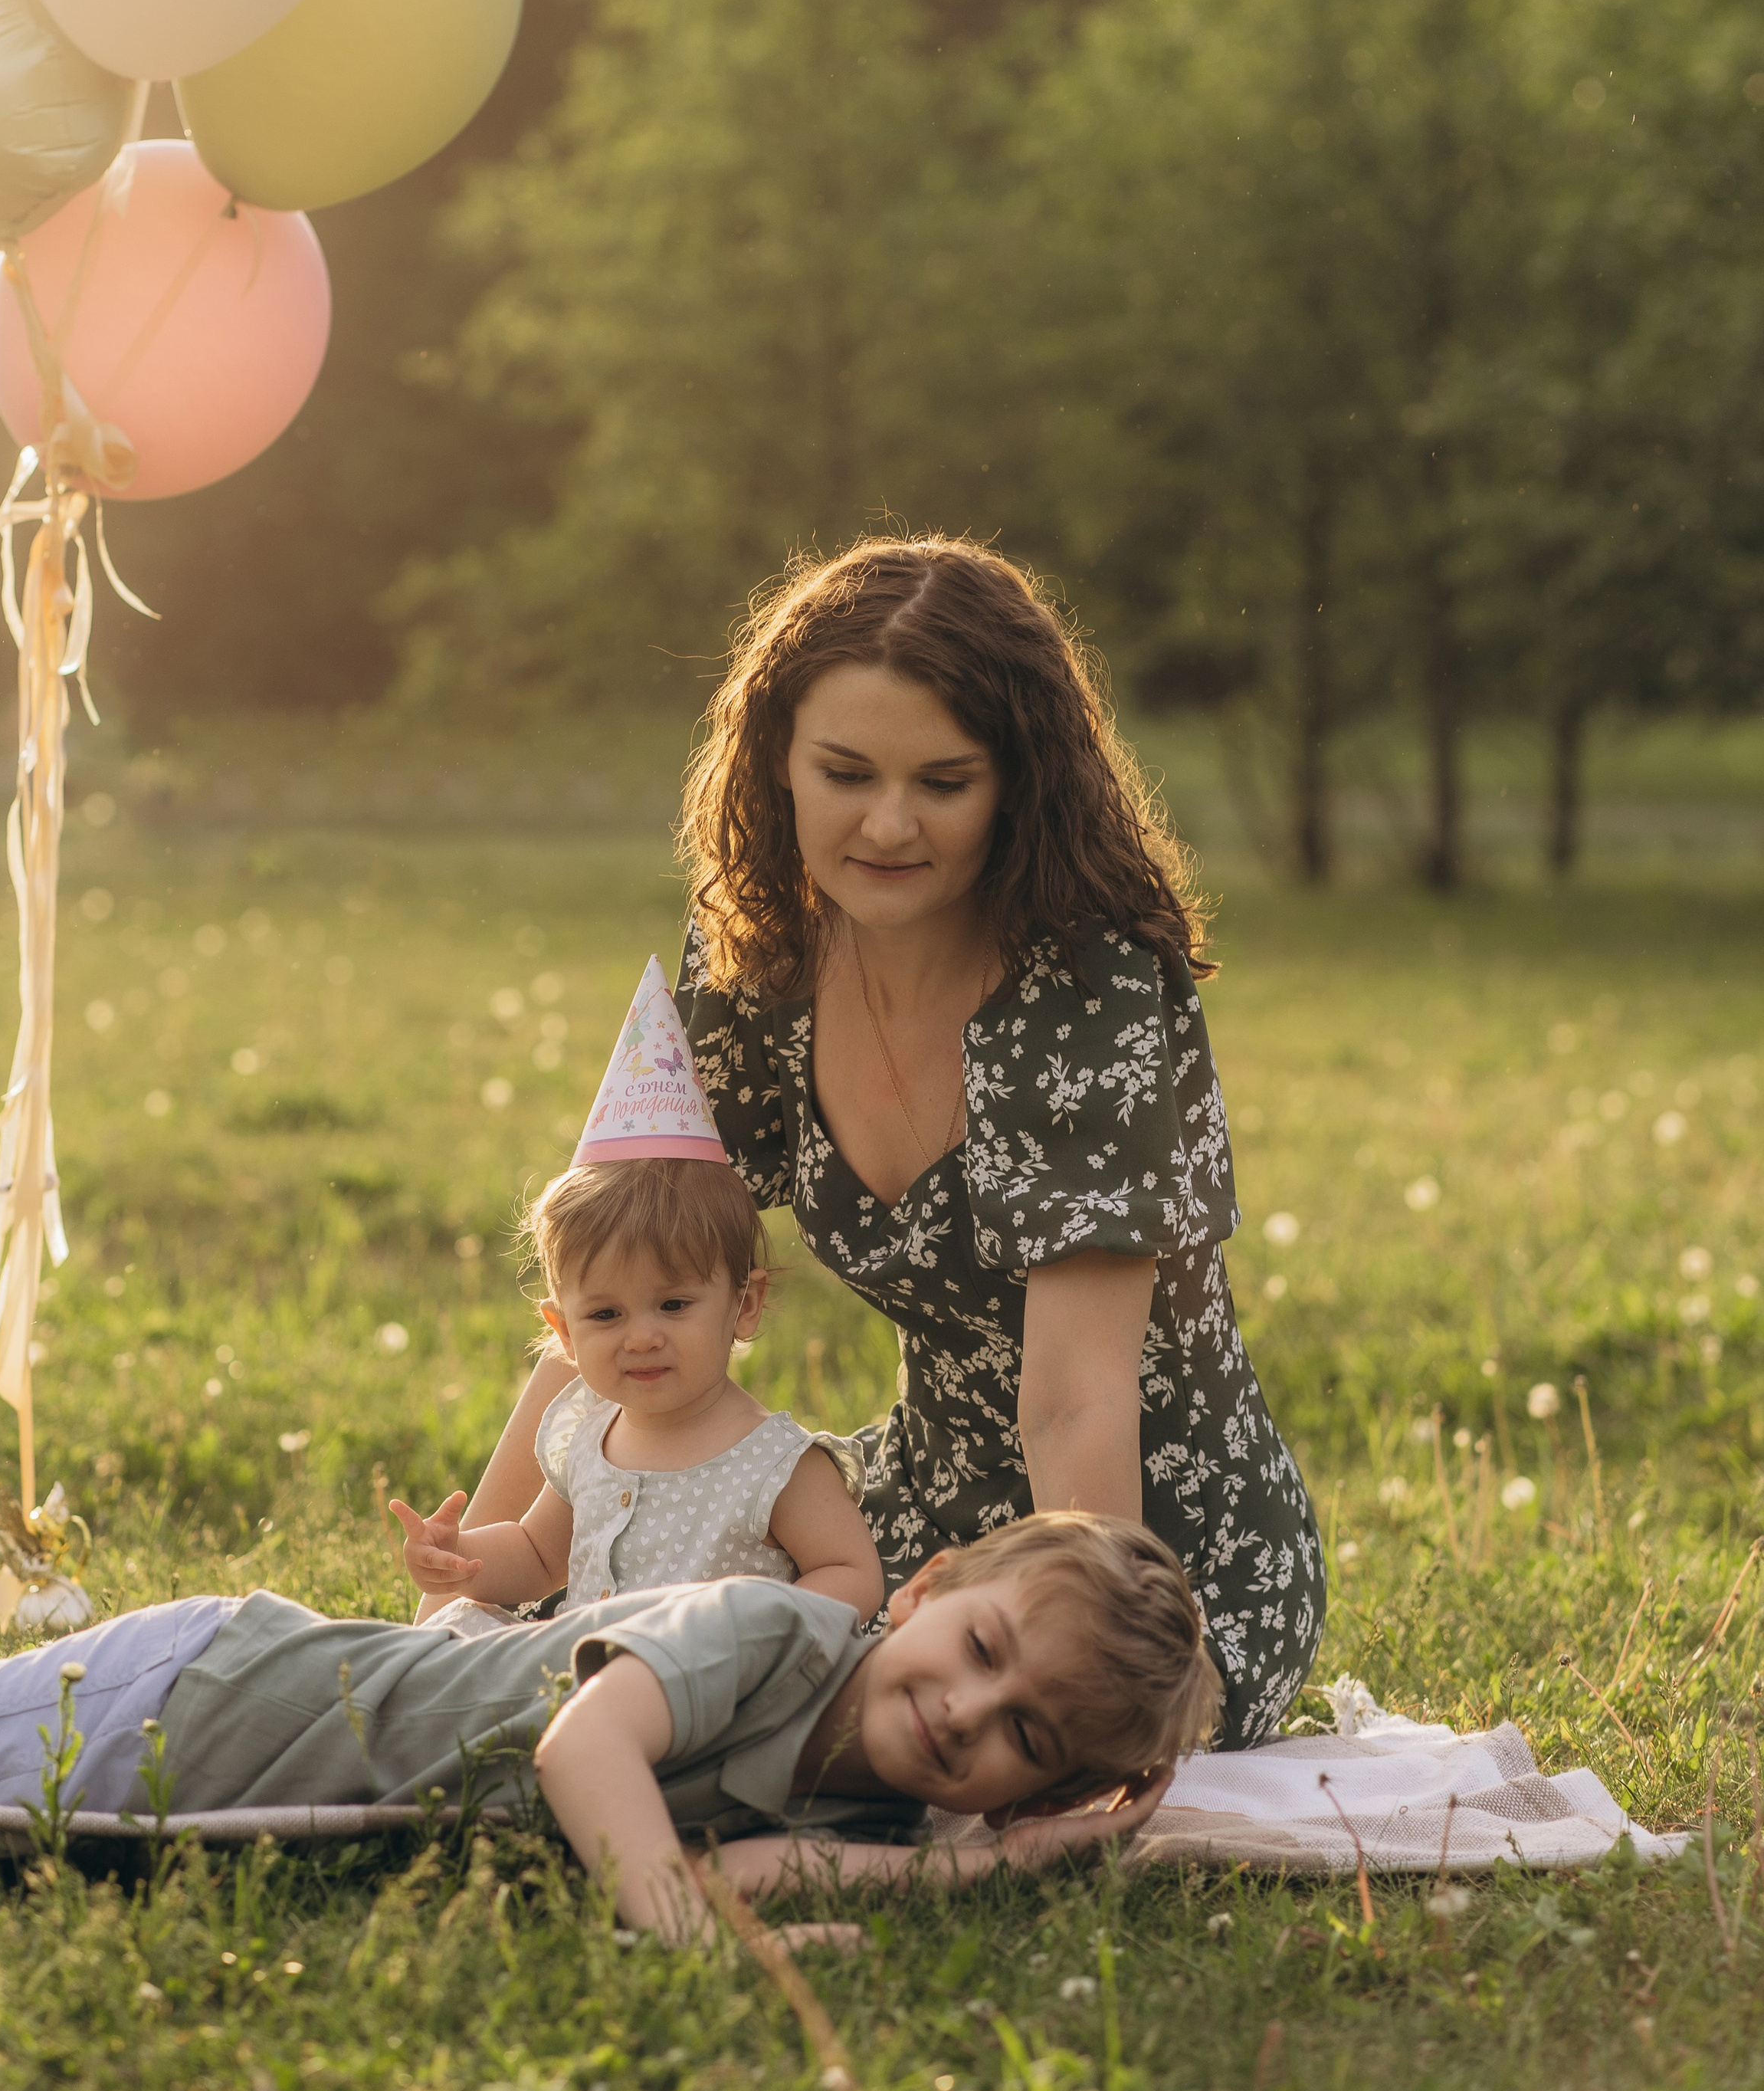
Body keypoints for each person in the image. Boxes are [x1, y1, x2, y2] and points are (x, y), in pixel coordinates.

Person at [467, 539, 1323, 1755]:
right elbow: (618, 1272)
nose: (886, 823)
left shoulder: (1089, 995)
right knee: (615, 1649)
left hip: (1145, 1543)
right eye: (846, 772)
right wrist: (464, 1598)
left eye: (944, 782)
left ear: (1019, 786)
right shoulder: (759, 957)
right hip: (914, 1500)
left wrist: (1085, 1689)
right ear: (779, 767)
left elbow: (1077, 1402)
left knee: (817, 1730)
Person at [0, 1509, 1219, 1943]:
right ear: (923, 1588)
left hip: (204, 1767)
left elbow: (732, 1878)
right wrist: (679, 1942)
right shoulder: (771, 1630)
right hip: (205, 1696)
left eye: (1028, 1741)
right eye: (978, 1650)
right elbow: (584, 1754)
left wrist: (983, 1866)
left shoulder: (888, 1808)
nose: (967, 1714)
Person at [388, 962, 880, 1623]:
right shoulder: (593, 1437)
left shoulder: (774, 1462)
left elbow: (851, 1572)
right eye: (605, 1314)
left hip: (710, 1685)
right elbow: (537, 1555)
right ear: (564, 1333)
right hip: (585, 1671)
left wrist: (758, 1636)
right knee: (458, 1621)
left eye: (674, 1305)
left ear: (745, 1305)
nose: (642, 1335)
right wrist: (461, 1557)